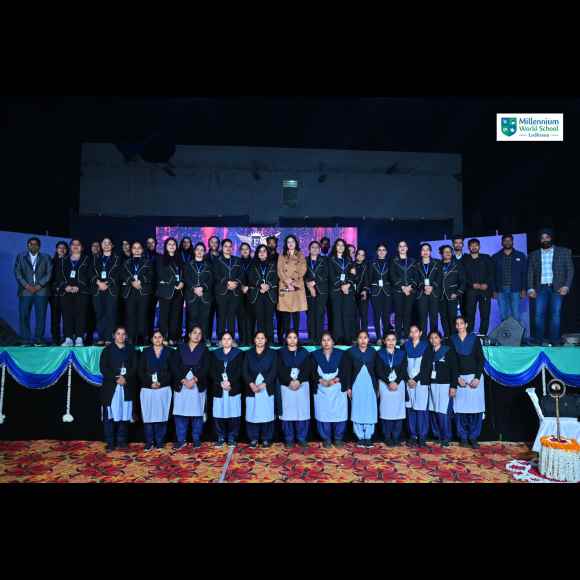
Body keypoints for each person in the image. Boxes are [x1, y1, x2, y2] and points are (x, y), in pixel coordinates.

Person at [527, 227, 575, 346]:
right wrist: (530, 288)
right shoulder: (534, 254)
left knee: (555, 315)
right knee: (538, 315)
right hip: (540, 288)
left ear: (551, 238)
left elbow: (570, 270)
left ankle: (555, 341)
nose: (545, 240)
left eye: (547, 237)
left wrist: (566, 286)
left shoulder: (564, 251)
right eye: (542, 238)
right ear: (540, 240)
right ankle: (538, 341)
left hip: (557, 288)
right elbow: (530, 272)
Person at [98, 326, 138, 451]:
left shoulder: (131, 350)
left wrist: (125, 378)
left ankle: (122, 441)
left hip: (126, 386)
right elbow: (103, 368)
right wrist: (116, 378)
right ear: (114, 335)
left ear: (126, 336)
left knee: (124, 415)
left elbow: (135, 367)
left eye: (123, 334)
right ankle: (110, 442)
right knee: (109, 416)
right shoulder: (107, 350)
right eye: (118, 333)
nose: (121, 336)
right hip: (111, 387)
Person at [171, 326, 210, 449]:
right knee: (180, 413)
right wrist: (183, 380)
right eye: (194, 333)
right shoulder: (180, 348)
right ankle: (181, 439)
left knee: (197, 413)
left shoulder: (204, 349)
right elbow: (174, 366)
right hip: (182, 384)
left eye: (199, 333)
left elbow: (206, 367)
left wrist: (194, 379)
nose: (197, 335)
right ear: (189, 334)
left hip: (197, 384)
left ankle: (196, 439)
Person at [451, 316, 485, 448]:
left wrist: (477, 377)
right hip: (461, 379)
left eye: (461, 323)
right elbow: (452, 362)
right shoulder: (452, 340)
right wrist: (457, 377)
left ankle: (473, 437)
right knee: (461, 410)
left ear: (466, 324)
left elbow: (481, 359)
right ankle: (463, 437)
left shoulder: (474, 339)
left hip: (474, 378)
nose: (459, 326)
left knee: (476, 410)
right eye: (457, 324)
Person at [310, 332, 349, 448]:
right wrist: (321, 380)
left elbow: (345, 370)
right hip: (321, 388)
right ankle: (326, 438)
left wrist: (334, 380)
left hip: (337, 387)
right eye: (324, 340)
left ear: (333, 342)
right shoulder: (314, 355)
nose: (326, 342)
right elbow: (311, 372)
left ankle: (338, 438)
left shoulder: (342, 354)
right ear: (320, 342)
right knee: (323, 414)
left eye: (328, 340)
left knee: (339, 414)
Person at [138, 331, 174, 451]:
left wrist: (161, 383)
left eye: (160, 337)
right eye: (155, 337)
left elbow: (172, 371)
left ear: (163, 338)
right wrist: (150, 383)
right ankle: (149, 442)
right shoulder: (145, 352)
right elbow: (140, 371)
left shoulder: (170, 352)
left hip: (163, 388)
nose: (157, 339)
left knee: (162, 415)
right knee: (148, 416)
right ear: (151, 339)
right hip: (148, 388)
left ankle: (160, 442)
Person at [14, 237, 53, 345]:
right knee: (24, 315)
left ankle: (39, 339)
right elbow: (17, 273)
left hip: (41, 291)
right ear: (28, 245)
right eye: (31, 244)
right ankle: (25, 339)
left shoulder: (46, 257)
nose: (33, 246)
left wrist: (39, 286)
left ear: (39, 246)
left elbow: (49, 273)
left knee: (41, 316)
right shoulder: (21, 257)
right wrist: (27, 286)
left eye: (36, 244)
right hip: (25, 291)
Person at [277, 330, 313, 448]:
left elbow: (308, 368)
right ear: (286, 339)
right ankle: (289, 439)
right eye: (289, 337)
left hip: (301, 385)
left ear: (298, 339)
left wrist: (299, 381)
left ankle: (302, 438)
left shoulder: (304, 352)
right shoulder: (280, 353)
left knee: (301, 412)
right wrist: (289, 381)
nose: (292, 340)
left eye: (294, 337)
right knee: (287, 413)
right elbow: (279, 369)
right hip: (286, 386)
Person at [344, 330, 379, 448]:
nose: (363, 340)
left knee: (370, 410)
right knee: (357, 409)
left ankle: (368, 437)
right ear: (357, 340)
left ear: (368, 339)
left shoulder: (373, 352)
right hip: (357, 385)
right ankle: (359, 436)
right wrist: (348, 387)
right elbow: (348, 371)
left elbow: (377, 371)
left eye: (365, 338)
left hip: (370, 385)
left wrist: (377, 387)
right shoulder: (351, 352)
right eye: (360, 337)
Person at [422, 330, 458, 447]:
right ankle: (438, 435)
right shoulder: (429, 352)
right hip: (433, 385)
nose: (434, 340)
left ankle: (446, 437)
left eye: (436, 337)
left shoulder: (447, 351)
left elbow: (454, 369)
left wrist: (453, 386)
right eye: (431, 338)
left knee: (443, 412)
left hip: (445, 385)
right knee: (434, 411)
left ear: (440, 339)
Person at [243, 331, 278, 448]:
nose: (260, 340)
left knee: (267, 414)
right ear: (254, 340)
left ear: (266, 340)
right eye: (258, 338)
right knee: (252, 414)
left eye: (262, 338)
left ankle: (266, 438)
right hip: (252, 389)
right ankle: (253, 438)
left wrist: (265, 383)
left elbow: (274, 370)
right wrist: (251, 384)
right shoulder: (248, 353)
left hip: (266, 388)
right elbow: (244, 371)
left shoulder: (272, 353)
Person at [210, 331, 244, 447]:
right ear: (220, 341)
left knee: (234, 414)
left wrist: (230, 382)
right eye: (224, 339)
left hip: (233, 388)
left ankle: (232, 437)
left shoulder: (238, 354)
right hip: (219, 388)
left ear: (232, 341)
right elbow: (212, 371)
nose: (226, 341)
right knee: (218, 414)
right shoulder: (215, 354)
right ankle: (220, 437)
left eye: (229, 339)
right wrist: (220, 382)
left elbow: (240, 370)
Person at [55, 239, 90, 347]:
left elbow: (89, 275)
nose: (75, 246)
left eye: (78, 244)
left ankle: (79, 337)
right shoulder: (63, 260)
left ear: (82, 247)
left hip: (81, 292)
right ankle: (68, 338)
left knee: (81, 315)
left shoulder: (87, 259)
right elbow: (59, 275)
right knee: (67, 315)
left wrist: (79, 286)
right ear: (70, 247)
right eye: (73, 244)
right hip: (66, 292)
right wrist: (65, 286)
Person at [375, 331, 408, 446]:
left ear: (396, 341)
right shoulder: (379, 354)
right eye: (388, 340)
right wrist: (389, 383)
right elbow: (378, 370)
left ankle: (396, 436)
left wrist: (396, 382)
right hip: (385, 385)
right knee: (386, 412)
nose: (391, 342)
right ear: (384, 341)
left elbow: (404, 370)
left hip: (399, 385)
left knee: (398, 412)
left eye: (393, 339)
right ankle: (387, 437)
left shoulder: (402, 354)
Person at [120, 241, 154, 346]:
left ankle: (142, 337)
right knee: (130, 315)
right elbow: (122, 274)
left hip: (143, 291)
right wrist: (132, 281)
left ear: (142, 250)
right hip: (130, 291)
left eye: (139, 247)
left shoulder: (148, 262)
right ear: (131, 250)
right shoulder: (126, 262)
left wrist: (140, 281)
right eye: (134, 247)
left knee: (143, 315)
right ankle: (131, 337)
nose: (137, 249)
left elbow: (151, 275)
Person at [90, 237, 122, 346]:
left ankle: (109, 337)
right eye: (104, 242)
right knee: (99, 313)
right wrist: (98, 282)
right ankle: (101, 337)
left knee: (110, 313)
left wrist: (107, 283)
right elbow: (90, 272)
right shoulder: (95, 258)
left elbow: (119, 274)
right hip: (97, 289)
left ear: (112, 245)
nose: (107, 244)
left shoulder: (117, 258)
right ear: (101, 245)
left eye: (109, 243)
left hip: (111, 289)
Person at [404, 324, 430, 447]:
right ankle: (413, 435)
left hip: (421, 382)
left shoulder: (426, 346)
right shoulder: (406, 346)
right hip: (408, 382)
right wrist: (408, 379)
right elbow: (402, 365)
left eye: (416, 331)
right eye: (411, 331)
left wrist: (416, 379)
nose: (413, 334)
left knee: (421, 409)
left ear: (420, 333)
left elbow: (427, 366)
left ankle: (422, 436)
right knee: (410, 409)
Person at [492, 234, 528, 325]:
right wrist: (494, 290)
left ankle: (517, 334)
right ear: (502, 242)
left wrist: (524, 289)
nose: (507, 242)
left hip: (516, 289)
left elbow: (524, 273)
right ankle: (506, 334)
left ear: (512, 242)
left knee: (516, 315)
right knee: (503, 316)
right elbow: (492, 275)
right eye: (505, 241)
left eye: (509, 240)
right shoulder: (495, 257)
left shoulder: (520, 255)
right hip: (501, 290)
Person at [277, 234, 307, 340]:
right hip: (285, 285)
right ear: (286, 244)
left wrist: (292, 280)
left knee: (296, 313)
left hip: (296, 285)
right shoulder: (281, 255)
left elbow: (302, 269)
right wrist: (287, 281)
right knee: (285, 314)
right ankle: (286, 338)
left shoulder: (300, 255)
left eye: (292, 241)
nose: (290, 244)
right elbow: (279, 270)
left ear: (296, 243)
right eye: (288, 242)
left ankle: (296, 338)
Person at [155, 237, 184, 345]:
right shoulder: (161, 259)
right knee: (164, 316)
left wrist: (182, 282)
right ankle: (164, 338)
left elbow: (183, 274)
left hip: (178, 292)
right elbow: (161, 274)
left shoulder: (180, 259)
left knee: (175, 316)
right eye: (169, 244)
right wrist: (175, 283)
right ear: (166, 246)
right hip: (165, 291)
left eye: (173, 244)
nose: (172, 246)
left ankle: (173, 337)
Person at [328, 238, 357, 345]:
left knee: (347, 314)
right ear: (335, 247)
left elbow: (353, 274)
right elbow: (331, 276)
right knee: (337, 315)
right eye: (338, 245)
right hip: (336, 290)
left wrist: (347, 284)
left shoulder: (349, 260)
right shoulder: (330, 260)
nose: (340, 247)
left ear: (345, 248)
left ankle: (347, 337)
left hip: (348, 290)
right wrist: (341, 286)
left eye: (342, 245)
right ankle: (338, 338)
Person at [247, 244, 278, 343]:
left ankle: (270, 341)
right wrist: (260, 285)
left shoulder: (273, 264)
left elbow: (276, 278)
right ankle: (260, 341)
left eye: (264, 251)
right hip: (257, 294)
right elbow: (251, 278)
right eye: (260, 251)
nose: (262, 253)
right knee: (259, 318)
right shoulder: (253, 264)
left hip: (270, 294)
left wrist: (268, 285)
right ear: (257, 253)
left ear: (267, 253)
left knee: (269, 318)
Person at [213, 239, 243, 339]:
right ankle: (220, 338)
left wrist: (236, 283)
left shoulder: (237, 260)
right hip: (221, 292)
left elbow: (242, 274)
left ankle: (231, 339)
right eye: (226, 246)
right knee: (221, 316)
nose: (228, 248)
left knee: (231, 317)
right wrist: (227, 282)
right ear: (222, 248)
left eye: (230, 246)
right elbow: (216, 275)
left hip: (235, 292)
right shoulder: (217, 260)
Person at [463, 238, 494, 336]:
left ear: (479, 246)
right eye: (471, 245)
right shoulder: (465, 260)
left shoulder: (486, 258)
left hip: (485, 291)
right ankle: (469, 335)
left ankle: (482, 336)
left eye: (476, 245)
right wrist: (472, 284)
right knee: (469, 315)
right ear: (468, 247)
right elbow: (462, 276)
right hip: (470, 291)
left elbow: (492, 273)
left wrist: (487, 284)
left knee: (485, 315)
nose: (474, 247)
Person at [183, 242, 213, 343]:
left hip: (205, 296)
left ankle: (204, 339)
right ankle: (191, 339)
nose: (199, 252)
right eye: (197, 249)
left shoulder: (209, 265)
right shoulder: (188, 264)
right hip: (192, 295)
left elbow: (211, 280)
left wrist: (202, 288)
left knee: (205, 318)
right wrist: (194, 289)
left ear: (204, 252)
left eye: (202, 250)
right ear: (194, 251)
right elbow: (186, 278)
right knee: (192, 318)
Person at [412, 243, 442, 335]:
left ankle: (434, 338)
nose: (425, 252)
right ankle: (423, 337)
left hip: (434, 293)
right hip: (421, 294)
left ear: (430, 251)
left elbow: (439, 277)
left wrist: (432, 286)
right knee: (422, 318)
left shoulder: (437, 263)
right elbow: (415, 279)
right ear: (421, 252)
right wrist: (424, 287)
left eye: (427, 249)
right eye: (423, 250)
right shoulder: (416, 264)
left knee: (434, 317)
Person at [390, 240, 416, 343]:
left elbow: (416, 275)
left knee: (407, 314)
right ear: (398, 248)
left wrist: (410, 286)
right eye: (400, 246)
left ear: (407, 248)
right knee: (398, 314)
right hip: (398, 291)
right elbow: (392, 275)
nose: (402, 248)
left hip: (410, 291)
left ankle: (406, 336)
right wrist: (402, 287)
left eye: (404, 246)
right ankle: (397, 337)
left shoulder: (413, 261)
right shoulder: (393, 261)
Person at [438, 245, 466, 339]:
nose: (448, 253)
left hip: (452, 295)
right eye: (445, 252)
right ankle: (446, 337)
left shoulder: (457, 264)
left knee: (453, 318)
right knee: (443, 317)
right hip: (441, 296)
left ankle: (454, 337)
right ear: (441, 254)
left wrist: (457, 293)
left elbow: (463, 281)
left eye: (450, 251)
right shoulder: (437, 265)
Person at [305, 240, 329, 345]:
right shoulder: (304, 260)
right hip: (308, 291)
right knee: (310, 315)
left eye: (317, 247)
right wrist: (308, 284)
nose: (314, 249)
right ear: (309, 249)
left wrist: (314, 282)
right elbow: (302, 274)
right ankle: (311, 338)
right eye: (312, 247)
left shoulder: (324, 260)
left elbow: (326, 274)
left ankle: (319, 338)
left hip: (321, 291)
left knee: (319, 315)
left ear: (319, 250)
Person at [368, 243, 392, 344]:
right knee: (377, 315)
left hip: (387, 292)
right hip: (375, 292)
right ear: (377, 252)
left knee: (386, 315)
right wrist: (371, 288)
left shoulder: (390, 263)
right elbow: (369, 278)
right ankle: (378, 337)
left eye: (383, 250)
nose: (382, 252)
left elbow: (392, 278)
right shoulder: (372, 263)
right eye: (379, 250)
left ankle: (386, 337)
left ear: (386, 252)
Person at [49, 241, 68, 345]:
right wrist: (55, 287)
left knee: (67, 317)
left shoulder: (70, 261)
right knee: (55, 318)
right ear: (56, 249)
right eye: (60, 248)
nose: (62, 249)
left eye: (64, 248)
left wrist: (63, 287)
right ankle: (55, 339)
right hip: (54, 294)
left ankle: (67, 338)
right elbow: (48, 278)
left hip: (66, 293)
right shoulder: (51, 262)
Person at [267, 234, 283, 344]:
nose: (272, 245)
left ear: (276, 244)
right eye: (270, 243)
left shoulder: (280, 257)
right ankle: (269, 339)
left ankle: (281, 338)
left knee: (280, 316)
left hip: (280, 290)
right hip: (268, 290)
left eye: (274, 243)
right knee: (268, 316)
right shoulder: (264, 257)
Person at [237, 242, 254, 346]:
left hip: (251, 292)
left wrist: (249, 287)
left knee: (251, 317)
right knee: (241, 317)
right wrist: (241, 286)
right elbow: (234, 276)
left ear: (250, 250)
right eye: (242, 249)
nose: (245, 251)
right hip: (239, 292)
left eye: (246, 249)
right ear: (240, 251)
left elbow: (257, 277)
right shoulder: (237, 262)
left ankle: (251, 339)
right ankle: (242, 339)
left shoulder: (254, 262)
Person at [205, 235, 221, 342]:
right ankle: (207, 338)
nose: (214, 244)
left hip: (221, 291)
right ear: (209, 244)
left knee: (221, 317)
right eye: (212, 242)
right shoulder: (204, 257)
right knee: (208, 316)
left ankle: (220, 339)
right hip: (208, 292)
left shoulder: (224, 257)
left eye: (216, 242)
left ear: (219, 244)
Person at [145, 236, 160, 339]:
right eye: (148, 243)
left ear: (156, 244)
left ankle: (151, 335)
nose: (151, 244)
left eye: (152, 242)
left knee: (153, 312)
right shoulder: (142, 256)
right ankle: (144, 334)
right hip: (143, 288)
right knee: (143, 312)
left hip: (155, 289)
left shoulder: (160, 257)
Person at [353, 248, 370, 335]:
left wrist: (365, 290)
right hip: (352, 294)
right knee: (354, 315)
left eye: (362, 255)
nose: (360, 256)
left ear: (364, 257)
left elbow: (367, 280)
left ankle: (365, 335)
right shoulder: (351, 265)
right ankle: (356, 335)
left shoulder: (366, 266)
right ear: (356, 255)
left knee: (364, 315)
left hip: (363, 293)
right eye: (359, 254)